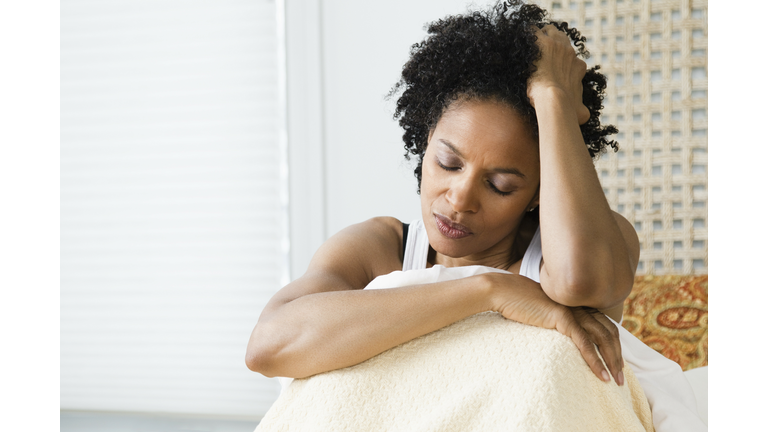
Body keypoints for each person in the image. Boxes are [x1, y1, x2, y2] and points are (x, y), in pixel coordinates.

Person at [246, 1, 704, 430]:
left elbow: (579, 284)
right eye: (448, 162)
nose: (460, 197)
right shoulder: (380, 248)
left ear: (541, 191)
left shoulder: (582, 248)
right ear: (425, 140)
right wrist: (491, 290)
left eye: (500, 185)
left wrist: (552, 98)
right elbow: (269, 346)